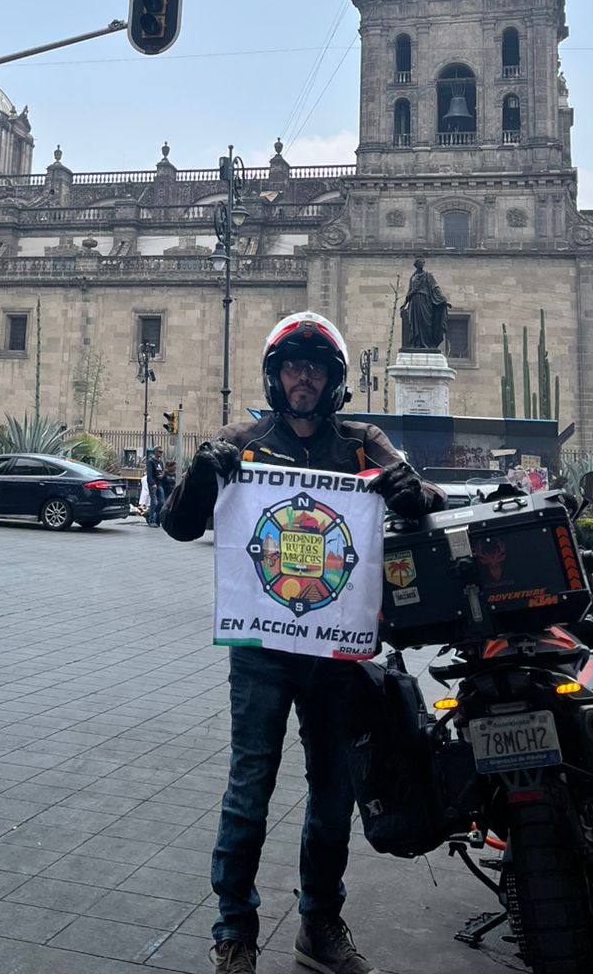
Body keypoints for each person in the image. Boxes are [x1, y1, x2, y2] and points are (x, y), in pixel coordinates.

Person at [163, 311, 445, 974]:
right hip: (261, 650)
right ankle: (234, 931)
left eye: (315, 367)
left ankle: (319, 922)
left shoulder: (361, 442)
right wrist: (204, 473)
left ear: (333, 379)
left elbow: (425, 495)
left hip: (337, 653)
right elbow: (179, 524)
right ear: (274, 373)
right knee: (249, 786)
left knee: (333, 791)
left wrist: (411, 492)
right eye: (293, 365)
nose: (303, 378)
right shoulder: (240, 441)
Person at [145, 445, 166, 526]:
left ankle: (152, 514)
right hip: (153, 484)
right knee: (154, 501)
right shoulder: (151, 461)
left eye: (162, 452)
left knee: (162, 502)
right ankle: (152, 520)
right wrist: (152, 483)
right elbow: (149, 474)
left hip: (159, 483)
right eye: (159, 452)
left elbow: (163, 471)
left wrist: (162, 476)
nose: (161, 453)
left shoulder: (160, 462)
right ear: (155, 452)